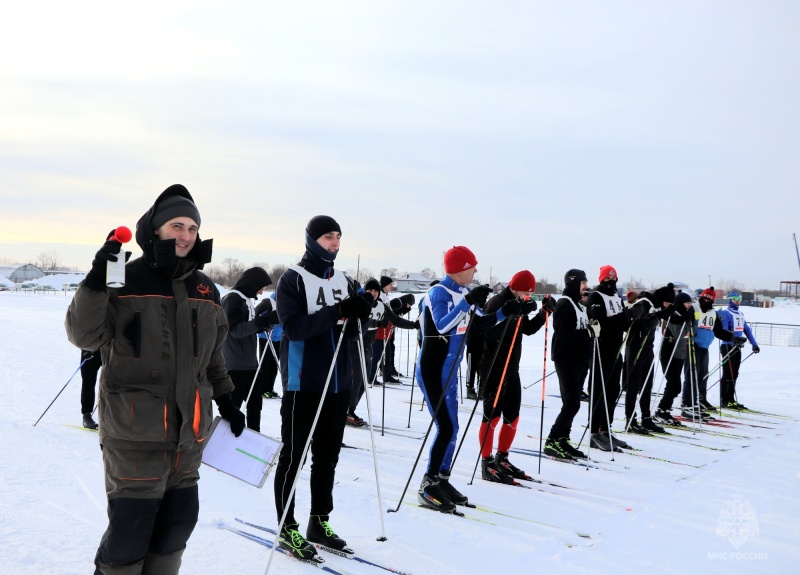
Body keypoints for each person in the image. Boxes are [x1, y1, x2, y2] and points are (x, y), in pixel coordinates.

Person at [65, 184, 245, 575]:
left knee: (177, 527)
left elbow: (213, 358)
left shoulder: (206, 289)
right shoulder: (124, 280)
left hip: (190, 435)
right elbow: (84, 335)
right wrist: (96, 281)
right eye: (176, 225)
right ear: (155, 229)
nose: (185, 235)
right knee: (131, 533)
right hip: (134, 432)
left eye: (192, 228)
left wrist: (228, 400)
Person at [272, 215, 372, 560]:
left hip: (338, 383)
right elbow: (294, 327)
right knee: (294, 456)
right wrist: (338, 311)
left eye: (338, 237)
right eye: (328, 237)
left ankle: (319, 521)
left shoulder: (344, 280)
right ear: (312, 240)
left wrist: (361, 312)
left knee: (327, 458)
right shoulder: (292, 279)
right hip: (305, 383)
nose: (335, 243)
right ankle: (287, 527)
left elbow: (355, 328)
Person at [415, 246, 509, 513]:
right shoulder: (438, 293)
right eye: (472, 266)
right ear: (460, 269)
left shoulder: (464, 292)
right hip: (432, 370)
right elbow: (443, 324)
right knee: (445, 427)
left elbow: (479, 324)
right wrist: (468, 303)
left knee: (453, 428)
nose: (476, 271)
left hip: (450, 370)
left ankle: (442, 480)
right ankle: (427, 483)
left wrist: (506, 311)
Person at [477, 270, 544, 482]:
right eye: (526, 291)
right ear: (516, 286)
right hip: (494, 367)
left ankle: (502, 458)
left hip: (512, 367)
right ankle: (486, 463)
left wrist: (542, 315)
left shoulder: (519, 302)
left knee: (513, 415)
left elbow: (527, 330)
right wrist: (512, 313)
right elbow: (488, 332)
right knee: (492, 415)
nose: (528, 295)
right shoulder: (498, 302)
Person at [543, 269, 592, 460]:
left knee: (573, 403)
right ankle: (552, 440)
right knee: (571, 404)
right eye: (583, 283)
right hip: (567, 359)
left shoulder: (580, 305)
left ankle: (563, 439)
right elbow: (565, 334)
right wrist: (588, 333)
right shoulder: (564, 304)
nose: (586, 286)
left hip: (580, 359)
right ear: (573, 283)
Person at [222, 267, 274, 432]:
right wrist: (261, 322)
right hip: (235, 364)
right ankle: (224, 445)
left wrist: (262, 325)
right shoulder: (233, 299)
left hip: (249, 363)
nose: (261, 292)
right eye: (261, 287)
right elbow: (235, 330)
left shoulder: (245, 299)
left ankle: (252, 441)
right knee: (233, 408)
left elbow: (246, 328)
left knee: (255, 405)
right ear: (253, 283)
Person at [586, 265, 632, 452]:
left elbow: (622, 324)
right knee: (599, 390)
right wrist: (621, 318)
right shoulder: (596, 296)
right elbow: (600, 322)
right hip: (600, 349)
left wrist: (630, 318)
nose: (611, 281)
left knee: (613, 390)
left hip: (615, 350)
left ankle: (605, 428)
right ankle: (594, 432)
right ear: (601, 279)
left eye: (614, 278)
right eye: (607, 278)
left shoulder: (616, 297)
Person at [623, 284, 676, 434]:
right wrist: (655, 318)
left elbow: (656, 317)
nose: (667, 306)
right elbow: (634, 323)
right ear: (662, 299)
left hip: (647, 348)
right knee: (633, 387)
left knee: (647, 385)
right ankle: (630, 420)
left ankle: (646, 418)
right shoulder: (644, 302)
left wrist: (663, 314)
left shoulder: (655, 305)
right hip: (635, 347)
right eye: (667, 302)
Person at [679, 287, 736, 418]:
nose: (706, 301)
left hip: (704, 348)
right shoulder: (694, 307)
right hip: (691, 345)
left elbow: (719, 331)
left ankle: (697, 402)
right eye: (704, 298)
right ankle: (687, 404)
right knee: (691, 376)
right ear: (701, 297)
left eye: (709, 300)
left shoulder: (713, 313)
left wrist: (733, 338)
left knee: (702, 376)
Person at [653, 292, 695, 425]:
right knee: (674, 385)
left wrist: (691, 320)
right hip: (668, 354)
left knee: (674, 386)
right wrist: (684, 320)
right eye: (687, 303)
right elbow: (676, 333)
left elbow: (693, 333)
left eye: (690, 303)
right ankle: (660, 410)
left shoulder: (686, 316)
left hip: (680, 354)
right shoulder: (671, 315)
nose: (689, 305)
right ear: (681, 303)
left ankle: (665, 410)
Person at [717, 291, 760, 409]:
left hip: (737, 347)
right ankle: (724, 400)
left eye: (739, 298)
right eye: (735, 299)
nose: (738, 301)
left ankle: (731, 399)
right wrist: (734, 339)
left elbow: (747, 329)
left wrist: (754, 344)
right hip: (727, 346)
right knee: (727, 373)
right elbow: (724, 330)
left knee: (734, 374)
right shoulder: (726, 313)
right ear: (730, 300)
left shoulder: (740, 314)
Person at [256, 292, 282, 400]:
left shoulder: (287, 302)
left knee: (274, 364)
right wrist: (267, 321)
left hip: (278, 337)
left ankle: (269, 388)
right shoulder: (268, 302)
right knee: (265, 364)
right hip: (266, 337)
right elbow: (256, 315)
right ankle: (262, 389)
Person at [80, 349, 103, 429]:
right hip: (91, 348)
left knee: (111, 383)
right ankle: (87, 416)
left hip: (110, 348)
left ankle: (111, 418)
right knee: (88, 381)